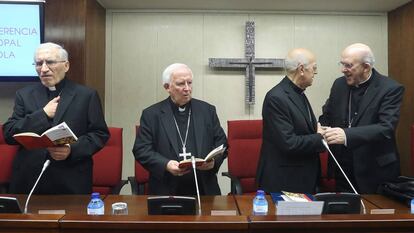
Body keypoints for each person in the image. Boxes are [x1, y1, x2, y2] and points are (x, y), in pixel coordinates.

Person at [2, 42, 109, 194]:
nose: (44, 69)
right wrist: (43, 114)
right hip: (30, 180)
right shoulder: (24, 95)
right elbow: (9, 134)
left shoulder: (86, 95)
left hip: (70, 179)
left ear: (66, 66)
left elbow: (99, 134)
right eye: (39, 63)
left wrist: (71, 149)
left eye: (50, 62)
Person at [319, 43, 404, 194]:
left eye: (348, 65)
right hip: (343, 167)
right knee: (345, 215)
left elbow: (386, 128)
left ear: (366, 67)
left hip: (375, 170)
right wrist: (321, 126)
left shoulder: (390, 88)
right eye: (342, 64)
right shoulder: (339, 84)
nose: (343, 70)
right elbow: (328, 115)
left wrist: (346, 135)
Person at [133, 63, 227, 195]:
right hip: (166, 189)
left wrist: (213, 162)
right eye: (181, 84)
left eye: (189, 82)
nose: (187, 88)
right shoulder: (152, 114)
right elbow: (141, 150)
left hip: (204, 189)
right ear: (167, 87)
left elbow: (222, 143)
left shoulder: (207, 111)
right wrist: (166, 164)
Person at [256, 48, 325, 194]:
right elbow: (289, 143)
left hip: (302, 178)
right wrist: (319, 137)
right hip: (285, 181)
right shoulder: (276, 98)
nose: (315, 73)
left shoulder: (298, 92)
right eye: (314, 68)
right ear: (301, 69)